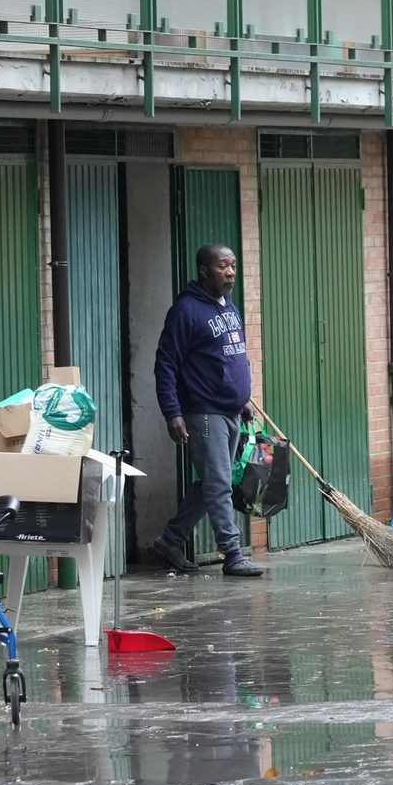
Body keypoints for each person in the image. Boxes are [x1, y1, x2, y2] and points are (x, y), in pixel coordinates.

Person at [150, 243, 264, 578]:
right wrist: (172, 412)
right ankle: (232, 552)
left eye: (232, 266)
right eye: (222, 266)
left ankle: (170, 540)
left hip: (230, 410)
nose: (230, 273)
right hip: (203, 412)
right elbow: (165, 364)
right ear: (204, 270)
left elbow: (229, 356)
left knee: (214, 481)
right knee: (218, 484)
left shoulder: (229, 306)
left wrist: (242, 398)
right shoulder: (185, 312)